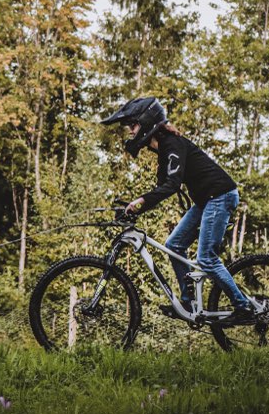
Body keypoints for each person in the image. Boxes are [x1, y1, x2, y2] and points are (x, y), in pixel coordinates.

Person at [101, 96, 257, 325]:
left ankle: (243, 307)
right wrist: (134, 207)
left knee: (206, 259)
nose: (130, 131)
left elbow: (171, 185)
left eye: (132, 125)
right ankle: (188, 303)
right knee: (174, 244)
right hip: (206, 200)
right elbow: (161, 188)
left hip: (220, 196)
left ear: (147, 122)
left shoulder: (173, 145)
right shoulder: (164, 150)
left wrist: (140, 202)